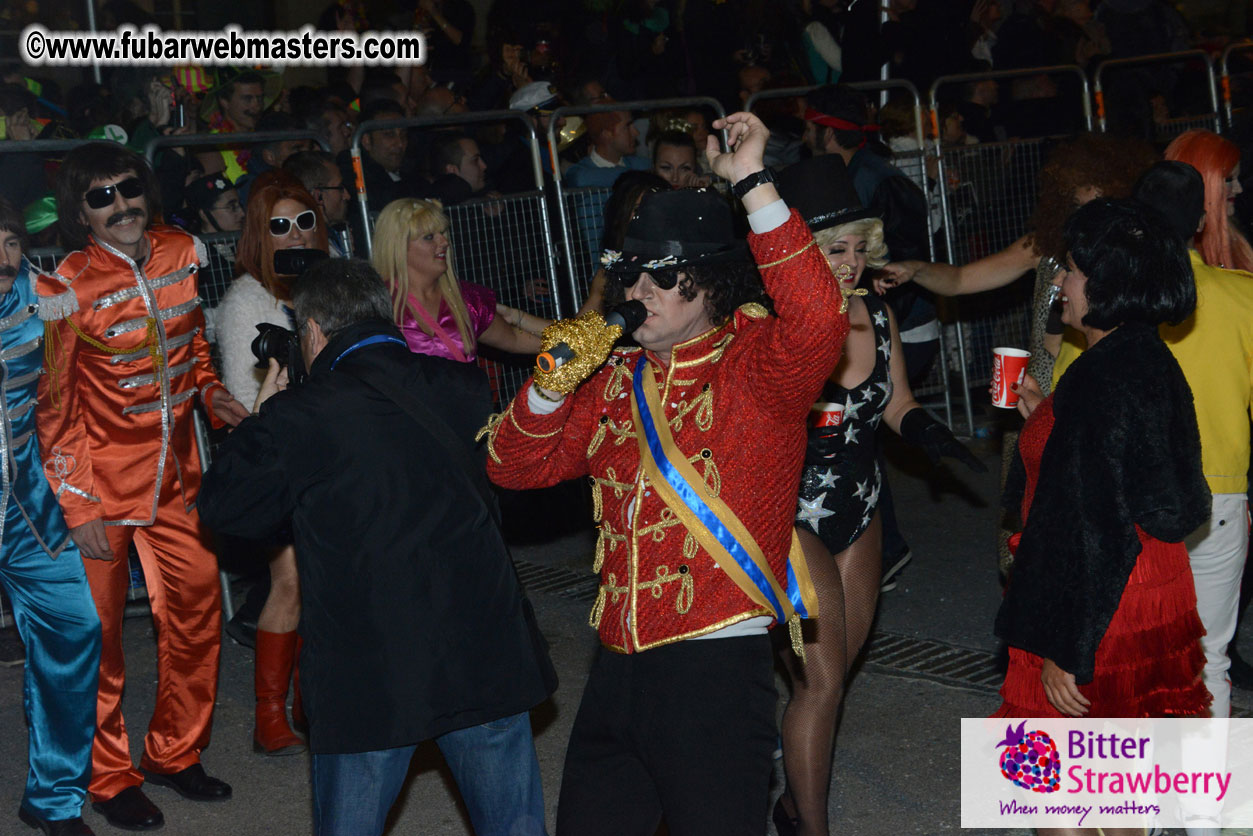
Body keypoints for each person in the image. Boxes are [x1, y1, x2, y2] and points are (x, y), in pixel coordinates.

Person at [483, 111, 844, 835]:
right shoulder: (616, 377)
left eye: (662, 277)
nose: (638, 290)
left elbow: (817, 317)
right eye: (631, 273)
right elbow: (512, 469)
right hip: (615, 661)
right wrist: (550, 385)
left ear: (709, 285)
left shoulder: (755, 366)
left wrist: (751, 182)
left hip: (712, 669)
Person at [197, 257, 555, 836]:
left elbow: (226, 507)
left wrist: (268, 403)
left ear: (311, 331)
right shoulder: (461, 384)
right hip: (484, 646)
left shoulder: (302, 416)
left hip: (372, 669)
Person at [37, 142, 249, 832]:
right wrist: (78, 503)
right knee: (101, 640)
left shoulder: (183, 251)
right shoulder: (63, 286)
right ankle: (108, 775)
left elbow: (192, 350)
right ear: (80, 212)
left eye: (128, 190)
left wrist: (213, 396)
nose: (120, 206)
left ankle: (175, 752)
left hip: (181, 480)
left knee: (196, 618)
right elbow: (55, 404)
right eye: (101, 197)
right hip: (101, 489)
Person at [771, 154, 984, 836]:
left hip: (858, 513)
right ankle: (812, 825)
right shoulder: (769, 325)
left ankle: (789, 803)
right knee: (821, 681)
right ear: (797, 249)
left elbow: (895, 402)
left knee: (832, 676)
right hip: (786, 521)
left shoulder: (876, 312)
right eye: (835, 247)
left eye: (859, 246)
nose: (851, 260)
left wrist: (929, 434)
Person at [994, 199, 1210, 729]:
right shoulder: (1146, 355)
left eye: (1069, 270)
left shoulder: (1099, 380)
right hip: (1151, 585)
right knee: (1115, 780)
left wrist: (1067, 645)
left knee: (1052, 783)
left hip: (1097, 602)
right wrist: (1046, 418)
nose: (1059, 283)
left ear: (1106, 284)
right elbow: (1160, 484)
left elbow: (1095, 529)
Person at [215, 171, 330, 756]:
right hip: (280, 456)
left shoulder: (334, 283)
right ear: (260, 235)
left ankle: (315, 701)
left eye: (304, 221)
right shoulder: (246, 302)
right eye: (278, 226)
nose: (294, 235)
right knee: (290, 582)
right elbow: (245, 393)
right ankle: (269, 715)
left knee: (331, 579)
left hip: (336, 450)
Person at [0, 199, 102, 836]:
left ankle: (55, 798)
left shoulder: (45, 299)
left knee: (74, 628)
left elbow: (61, 407)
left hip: (28, 507)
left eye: (8, 242)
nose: (0, 258)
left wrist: (77, 498)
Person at [370, 198, 547, 361]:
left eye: (443, 233)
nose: (444, 242)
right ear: (398, 247)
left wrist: (569, 344)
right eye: (429, 237)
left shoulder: (465, 299)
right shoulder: (375, 306)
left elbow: (514, 339)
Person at [576, 169, 669, 316]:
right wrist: (524, 320)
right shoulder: (608, 269)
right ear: (621, 215)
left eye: (655, 209)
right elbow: (582, 332)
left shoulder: (681, 262)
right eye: (638, 210)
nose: (648, 217)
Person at [1164, 129, 1253, 274]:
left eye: (1238, 179)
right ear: (1204, 181)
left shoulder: (1236, 231)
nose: (1239, 189)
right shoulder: (1181, 251)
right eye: (1229, 180)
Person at [283, 150, 353, 257]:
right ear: (318, 196)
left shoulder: (330, 237)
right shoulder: (314, 249)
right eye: (340, 188)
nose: (347, 196)